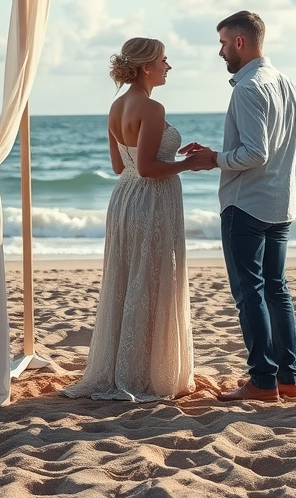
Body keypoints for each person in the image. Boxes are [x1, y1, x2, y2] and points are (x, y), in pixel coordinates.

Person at [62, 37, 212, 402]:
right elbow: (147, 169)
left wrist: (169, 155)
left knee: (130, 277)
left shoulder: (116, 106)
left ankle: (124, 366)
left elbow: (121, 166)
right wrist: (186, 164)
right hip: (153, 200)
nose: (168, 66)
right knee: (154, 277)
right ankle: (147, 372)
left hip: (125, 200)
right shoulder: (153, 107)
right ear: (147, 66)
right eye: (164, 60)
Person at [180, 11, 296, 403]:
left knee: (250, 293)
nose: (220, 51)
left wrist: (215, 158)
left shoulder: (248, 88)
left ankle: (262, 382)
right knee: (277, 290)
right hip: (281, 203)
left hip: (246, 206)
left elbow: (255, 152)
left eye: (222, 43)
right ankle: (288, 379)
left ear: (240, 42)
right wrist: (277, 176)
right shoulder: (290, 86)